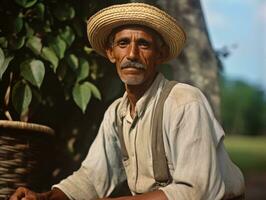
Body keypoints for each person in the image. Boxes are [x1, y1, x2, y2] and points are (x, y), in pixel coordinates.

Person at [10, 3, 245, 200]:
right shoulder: (117, 113)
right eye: (123, 43)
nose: (132, 54)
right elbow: (92, 177)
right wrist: (44, 197)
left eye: (143, 44)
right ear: (111, 53)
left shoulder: (185, 102)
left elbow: (196, 192)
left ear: (160, 55)